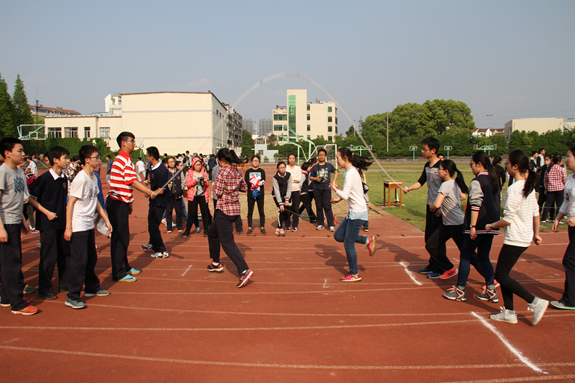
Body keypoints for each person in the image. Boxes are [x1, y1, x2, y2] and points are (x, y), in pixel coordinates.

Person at [484, 149, 549, 325]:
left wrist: (491, 226)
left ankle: (535, 302)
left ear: (514, 166)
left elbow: (508, 220)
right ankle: (509, 312)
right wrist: (536, 234)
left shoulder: (514, 189)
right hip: (524, 236)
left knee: (502, 275)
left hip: (516, 238)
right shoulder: (528, 185)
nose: (505, 165)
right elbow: (536, 212)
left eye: (508, 163)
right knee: (504, 273)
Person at [443, 151, 501, 303]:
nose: (471, 167)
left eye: (471, 164)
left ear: (479, 164)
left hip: (478, 225)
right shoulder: (494, 180)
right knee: (484, 257)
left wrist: (473, 226)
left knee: (466, 256)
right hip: (491, 226)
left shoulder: (477, 181)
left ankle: (460, 290)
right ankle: (491, 290)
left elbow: (476, 204)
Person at [63, 145, 112, 309]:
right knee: (79, 260)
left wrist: (106, 219)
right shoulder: (81, 179)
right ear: (86, 160)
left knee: (91, 257)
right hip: (78, 226)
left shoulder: (93, 178)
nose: (99, 161)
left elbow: (95, 201)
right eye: (96, 158)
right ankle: (73, 295)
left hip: (89, 224)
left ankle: (91, 287)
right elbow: (70, 204)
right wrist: (68, 227)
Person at [106, 132, 158, 283]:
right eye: (131, 141)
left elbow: (126, 183)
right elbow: (131, 181)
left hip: (121, 202)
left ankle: (125, 266)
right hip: (116, 203)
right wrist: (149, 192)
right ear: (123, 143)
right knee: (119, 238)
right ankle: (119, 272)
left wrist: (129, 203)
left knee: (124, 237)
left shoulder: (126, 159)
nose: (134, 143)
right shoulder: (122, 159)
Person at [0, 138, 39, 315]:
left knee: (11, 261)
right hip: (5, 222)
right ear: (7, 153)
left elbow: (19, 199)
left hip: (15, 220)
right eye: (19, 151)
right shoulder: (3, 172)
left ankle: (6, 298)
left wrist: (23, 220)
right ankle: (17, 303)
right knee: (11, 263)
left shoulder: (19, 173)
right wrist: (1, 228)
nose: (23, 155)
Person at [207, 148, 253, 288]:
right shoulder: (237, 171)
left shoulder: (222, 172)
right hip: (234, 210)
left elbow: (218, 191)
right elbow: (244, 188)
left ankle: (244, 270)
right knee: (212, 233)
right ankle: (215, 263)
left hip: (224, 210)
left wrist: (212, 188)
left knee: (227, 242)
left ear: (221, 160)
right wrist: (232, 188)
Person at [29, 146, 71, 299]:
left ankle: (64, 284)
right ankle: (45, 288)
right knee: (49, 256)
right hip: (48, 225)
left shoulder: (64, 178)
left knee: (65, 254)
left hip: (61, 223)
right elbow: (31, 198)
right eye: (65, 158)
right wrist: (47, 212)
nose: (68, 161)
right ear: (55, 160)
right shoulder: (44, 179)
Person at [331, 148, 377, 282]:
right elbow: (353, 192)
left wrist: (335, 189)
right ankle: (366, 240)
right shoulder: (351, 172)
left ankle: (354, 273)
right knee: (338, 236)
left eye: (338, 158)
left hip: (357, 212)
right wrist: (339, 197)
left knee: (348, 243)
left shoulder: (350, 173)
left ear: (345, 158)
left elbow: (346, 194)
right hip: (354, 212)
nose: (337, 161)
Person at [403, 137, 444, 275]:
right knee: (429, 237)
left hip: (440, 207)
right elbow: (421, 182)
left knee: (438, 239)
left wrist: (442, 206)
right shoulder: (427, 166)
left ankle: (441, 267)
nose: (422, 151)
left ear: (433, 151)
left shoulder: (442, 167)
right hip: (430, 205)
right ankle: (432, 264)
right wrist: (409, 188)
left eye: (424, 149)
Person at [427, 160, 469, 280]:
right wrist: (444, 208)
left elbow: (435, 204)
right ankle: (450, 268)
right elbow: (461, 196)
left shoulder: (445, 184)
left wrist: (433, 206)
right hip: (447, 224)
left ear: (446, 172)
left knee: (469, 255)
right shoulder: (453, 182)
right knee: (431, 245)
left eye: (439, 169)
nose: (437, 171)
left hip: (457, 224)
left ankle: (491, 279)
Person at [550, 146, 575, 310]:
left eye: (569, 156)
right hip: (571, 226)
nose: (566, 160)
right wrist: (558, 217)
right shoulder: (570, 178)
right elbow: (566, 201)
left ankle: (570, 300)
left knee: (570, 260)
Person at [144, 147, 170, 258]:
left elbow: (161, 190)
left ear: (152, 157)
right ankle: (153, 242)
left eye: (147, 156)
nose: (146, 158)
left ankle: (161, 250)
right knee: (150, 223)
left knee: (154, 225)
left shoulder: (161, 171)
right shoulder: (152, 168)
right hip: (154, 200)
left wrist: (151, 192)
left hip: (160, 202)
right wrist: (149, 185)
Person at [309, 149, 338, 231]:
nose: (321, 156)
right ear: (318, 156)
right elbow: (311, 177)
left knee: (327, 206)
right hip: (317, 189)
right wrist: (315, 179)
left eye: (323, 155)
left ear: (325, 156)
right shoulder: (314, 167)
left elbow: (336, 172)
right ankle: (320, 223)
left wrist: (333, 182)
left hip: (326, 188)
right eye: (320, 155)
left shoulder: (329, 165)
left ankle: (331, 224)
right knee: (319, 207)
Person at [182, 157, 210, 237]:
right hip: (193, 196)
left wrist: (205, 181)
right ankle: (187, 231)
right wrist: (195, 181)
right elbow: (188, 184)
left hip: (202, 195)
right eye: (197, 165)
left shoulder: (204, 173)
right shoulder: (189, 173)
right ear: (193, 165)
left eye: (200, 164)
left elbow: (207, 185)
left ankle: (206, 230)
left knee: (205, 213)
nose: (198, 166)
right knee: (191, 214)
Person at [541, 154, 567, 223]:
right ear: (559, 162)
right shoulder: (562, 169)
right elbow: (564, 179)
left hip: (550, 188)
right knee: (559, 204)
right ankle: (559, 218)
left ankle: (544, 218)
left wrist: (546, 188)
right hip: (559, 188)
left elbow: (545, 180)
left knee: (548, 203)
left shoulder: (549, 168)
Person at [245, 155, 266, 235]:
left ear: (259, 162)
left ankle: (262, 227)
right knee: (250, 211)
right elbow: (246, 181)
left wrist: (257, 184)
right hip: (251, 194)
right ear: (251, 161)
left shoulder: (262, 171)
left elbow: (263, 180)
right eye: (254, 160)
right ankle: (250, 227)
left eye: (257, 160)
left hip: (260, 194)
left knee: (261, 211)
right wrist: (252, 185)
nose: (255, 162)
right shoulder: (248, 172)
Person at [164, 157, 184, 234]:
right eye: (170, 162)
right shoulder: (166, 172)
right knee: (169, 211)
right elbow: (163, 182)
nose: (171, 163)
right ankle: (169, 227)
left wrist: (181, 188)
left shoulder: (179, 172)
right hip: (168, 195)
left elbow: (183, 181)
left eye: (173, 161)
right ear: (167, 164)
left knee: (178, 211)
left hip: (177, 194)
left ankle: (179, 226)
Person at [272, 161, 292, 237]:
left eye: (284, 167)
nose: (283, 169)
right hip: (277, 195)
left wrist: (287, 199)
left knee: (285, 210)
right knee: (281, 209)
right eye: (281, 167)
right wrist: (280, 203)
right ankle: (280, 228)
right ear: (277, 168)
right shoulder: (275, 178)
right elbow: (276, 191)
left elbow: (289, 187)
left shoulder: (289, 175)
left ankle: (278, 226)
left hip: (285, 195)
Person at [286, 154, 304, 231]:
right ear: (288, 159)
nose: (292, 160)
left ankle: (295, 225)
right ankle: (287, 224)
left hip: (296, 190)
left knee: (296, 208)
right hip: (287, 191)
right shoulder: (286, 168)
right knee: (287, 207)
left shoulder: (298, 168)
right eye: (290, 158)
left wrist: (290, 180)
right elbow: (285, 179)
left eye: (293, 158)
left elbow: (299, 178)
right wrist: (293, 179)